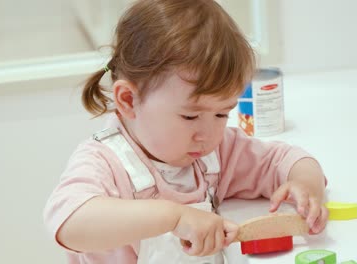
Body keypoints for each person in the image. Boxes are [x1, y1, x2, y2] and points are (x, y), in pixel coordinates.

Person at [43, 0, 329, 263]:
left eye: (221, 113)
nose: (207, 134)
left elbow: (285, 159)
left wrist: (305, 185)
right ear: (129, 100)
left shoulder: (215, 153)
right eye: (190, 116)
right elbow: (69, 224)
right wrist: (174, 217)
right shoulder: (103, 162)